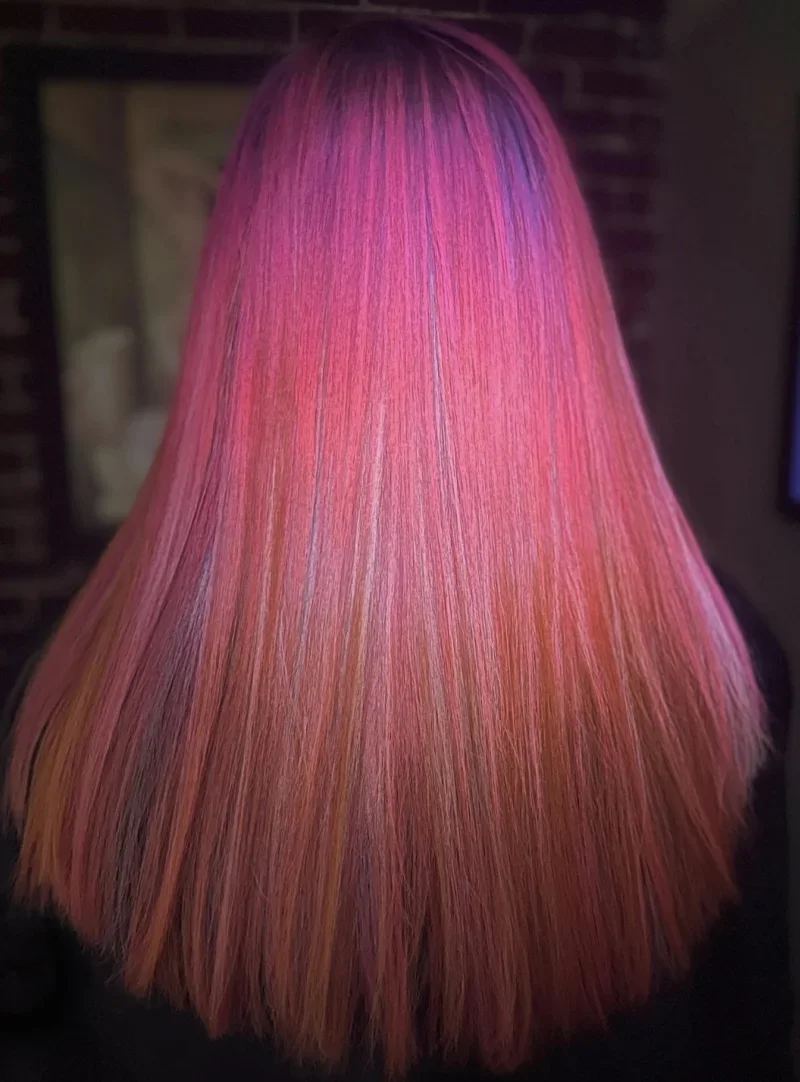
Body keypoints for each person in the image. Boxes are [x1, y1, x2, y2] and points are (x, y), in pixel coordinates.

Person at [0, 18, 793, 1082]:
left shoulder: (61, 708)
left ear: (241, 292)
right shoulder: (722, 670)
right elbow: (746, 1034)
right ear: (554, 292)